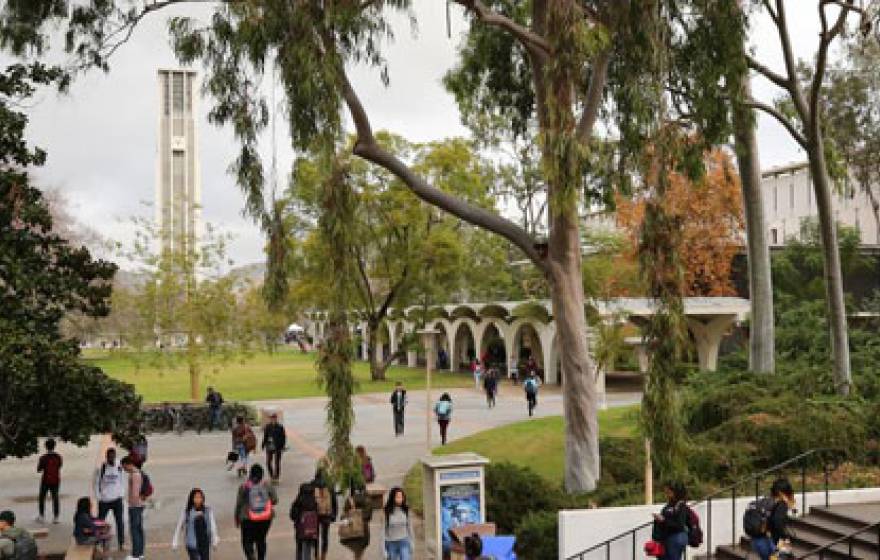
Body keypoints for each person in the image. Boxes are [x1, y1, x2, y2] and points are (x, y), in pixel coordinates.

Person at [235, 464, 278, 560]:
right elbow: (275, 500)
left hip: (247, 518)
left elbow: (239, 504)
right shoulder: (267, 485)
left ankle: (251, 556)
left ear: (250, 474)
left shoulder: (244, 487)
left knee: (247, 541)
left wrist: (237, 518)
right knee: (261, 540)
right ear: (262, 475)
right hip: (265, 518)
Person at [751, 478, 795, 560]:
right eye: (788, 493)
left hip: (757, 541)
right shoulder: (781, 504)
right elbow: (777, 522)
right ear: (781, 493)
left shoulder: (766, 501)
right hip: (770, 543)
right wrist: (786, 537)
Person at [172, 488, 219, 560]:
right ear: (191, 499)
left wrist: (215, 540)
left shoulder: (208, 511)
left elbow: (213, 526)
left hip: (205, 543)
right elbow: (179, 527)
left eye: (200, 497)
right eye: (196, 497)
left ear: (203, 498)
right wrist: (175, 541)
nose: (198, 499)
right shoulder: (186, 512)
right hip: (191, 543)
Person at [94, 448, 126, 551]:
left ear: (115, 456)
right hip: (104, 500)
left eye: (113, 456)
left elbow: (122, 479)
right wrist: (99, 496)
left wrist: (121, 493)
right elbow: (95, 483)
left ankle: (121, 543)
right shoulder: (101, 467)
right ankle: (99, 542)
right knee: (100, 522)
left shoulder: (119, 465)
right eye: (109, 457)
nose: (111, 459)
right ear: (106, 457)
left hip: (117, 499)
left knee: (120, 522)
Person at [652, 482, 688, 560]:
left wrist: (664, 520)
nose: (667, 494)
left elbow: (679, 524)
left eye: (669, 492)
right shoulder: (670, 504)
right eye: (666, 492)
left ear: (676, 492)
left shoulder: (681, 505)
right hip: (667, 537)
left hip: (676, 537)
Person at [121, 456, 145, 560]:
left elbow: (135, 493)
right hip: (139, 505)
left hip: (135, 506)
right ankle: (140, 552)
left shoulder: (134, 475)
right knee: (139, 529)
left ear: (128, 464)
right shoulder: (138, 473)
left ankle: (135, 554)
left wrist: (130, 503)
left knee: (134, 530)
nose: (124, 469)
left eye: (124, 466)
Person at [312, 467, 338, 560]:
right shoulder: (330, 485)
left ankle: (316, 555)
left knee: (315, 535)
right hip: (327, 513)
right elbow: (334, 501)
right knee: (325, 536)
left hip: (315, 514)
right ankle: (324, 555)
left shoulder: (312, 484)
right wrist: (334, 514)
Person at [339, 487, 372, 560]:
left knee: (354, 551)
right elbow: (369, 516)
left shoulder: (350, 499)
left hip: (350, 530)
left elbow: (344, 514)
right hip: (364, 530)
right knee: (360, 552)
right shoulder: (367, 499)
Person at [290, 482, 319, 560]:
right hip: (311, 529)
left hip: (300, 529)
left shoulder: (298, 501)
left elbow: (292, 516)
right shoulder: (314, 502)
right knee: (309, 546)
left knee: (299, 546)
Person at [382, 487, 414, 560]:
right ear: (392, 498)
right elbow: (382, 532)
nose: (400, 499)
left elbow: (410, 527)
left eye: (401, 497)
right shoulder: (386, 512)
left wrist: (412, 542)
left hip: (404, 541)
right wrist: (383, 550)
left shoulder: (406, 510)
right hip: (391, 543)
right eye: (397, 497)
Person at [36, 438, 62, 524]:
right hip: (56, 480)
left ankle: (41, 516)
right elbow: (59, 466)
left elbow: (39, 469)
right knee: (55, 498)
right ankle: (56, 517)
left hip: (45, 480)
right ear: (54, 446)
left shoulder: (43, 458)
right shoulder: (58, 457)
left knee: (42, 498)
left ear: (46, 447)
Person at [262, 413, 286, 484]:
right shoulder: (268, 426)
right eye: (271, 418)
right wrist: (263, 444)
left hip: (278, 446)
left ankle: (276, 477)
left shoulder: (280, 427)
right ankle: (272, 476)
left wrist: (282, 446)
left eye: (274, 418)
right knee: (268, 462)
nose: (272, 419)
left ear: (276, 418)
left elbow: (283, 437)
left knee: (277, 462)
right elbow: (265, 436)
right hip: (269, 446)